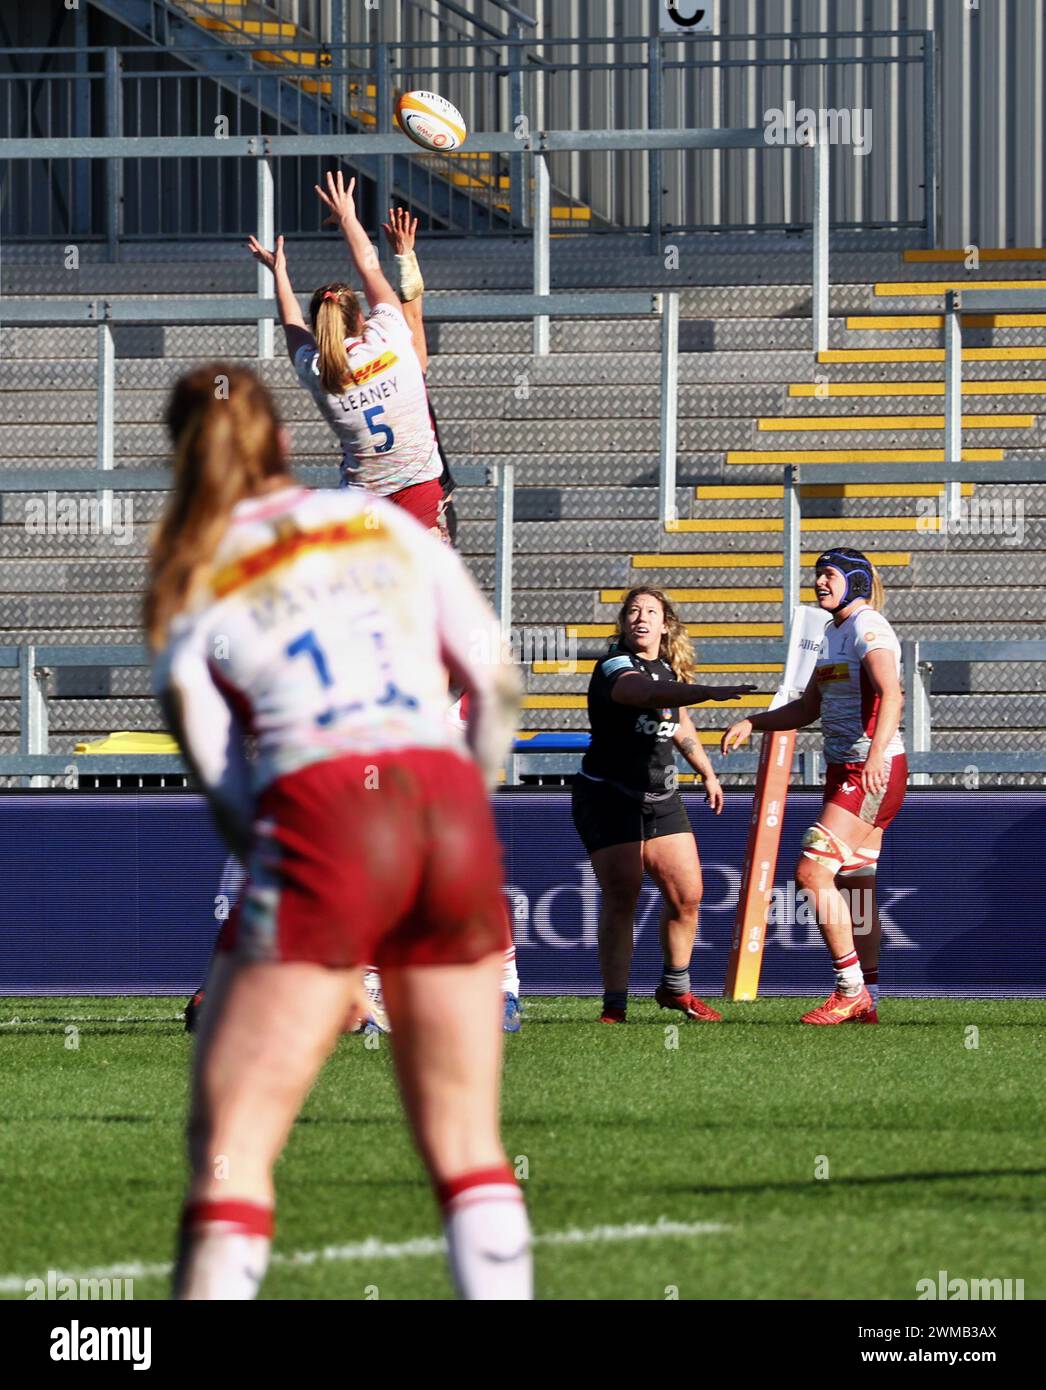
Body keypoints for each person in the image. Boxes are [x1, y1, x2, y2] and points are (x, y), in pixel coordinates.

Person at [148, 362, 529, 1300]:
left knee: (232, 1146)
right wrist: (461, 796)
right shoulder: (382, 526)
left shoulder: (193, 569)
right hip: (441, 801)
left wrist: (272, 849)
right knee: (467, 1146)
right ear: (283, 439)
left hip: (321, 810)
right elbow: (498, 680)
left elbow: (215, 764)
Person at [721, 549, 906, 1025]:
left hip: (870, 769)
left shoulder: (869, 626)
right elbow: (807, 709)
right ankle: (871, 997)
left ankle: (850, 990)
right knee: (855, 884)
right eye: (818, 575)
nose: (819, 583)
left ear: (856, 582)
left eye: (829, 575)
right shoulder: (831, 632)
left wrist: (874, 756)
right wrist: (753, 721)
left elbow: (892, 693)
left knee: (811, 873)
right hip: (847, 768)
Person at [571, 587, 758, 1024]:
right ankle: (615, 1005)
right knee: (623, 896)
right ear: (624, 623)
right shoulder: (616, 665)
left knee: (688, 895)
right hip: (610, 795)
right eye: (633, 611)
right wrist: (706, 691)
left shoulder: (666, 669)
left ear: (665, 624)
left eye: (651, 612)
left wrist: (707, 772)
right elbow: (642, 695)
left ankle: (675, 989)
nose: (641, 618)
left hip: (660, 795)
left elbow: (680, 725)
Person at [247, 170, 447, 537]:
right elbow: (369, 267)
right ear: (360, 316)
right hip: (419, 491)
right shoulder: (388, 338)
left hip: (362, 505)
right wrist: (347, 217)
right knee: (422, 589)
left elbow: (292, 324)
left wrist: (279, 271)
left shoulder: (319, 370)